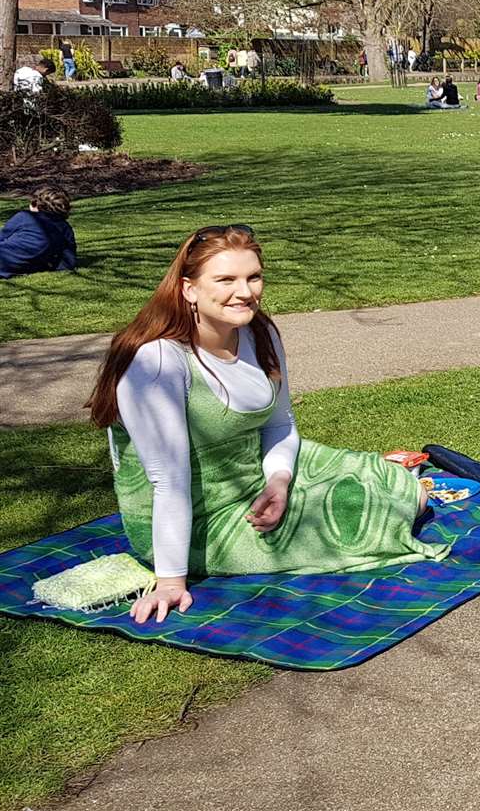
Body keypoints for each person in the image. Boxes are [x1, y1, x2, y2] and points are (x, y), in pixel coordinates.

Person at [83, 226, 448, 625]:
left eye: (253, 277)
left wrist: (279, 482)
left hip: (255, 468)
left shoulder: (260, 332)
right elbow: (168, 481)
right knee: (375, 509)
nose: (244, 292)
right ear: (188, 289)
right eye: (225, 280)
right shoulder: (158, 362)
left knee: (400, 484)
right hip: (197, 517)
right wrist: (171, 581)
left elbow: (279, 423)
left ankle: (307, 492)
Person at [0, 185, 77, 278]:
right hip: (20, 267)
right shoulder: (65, 228)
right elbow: (68, 262)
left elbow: (2, 236)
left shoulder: (25, 216)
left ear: (35, 204)